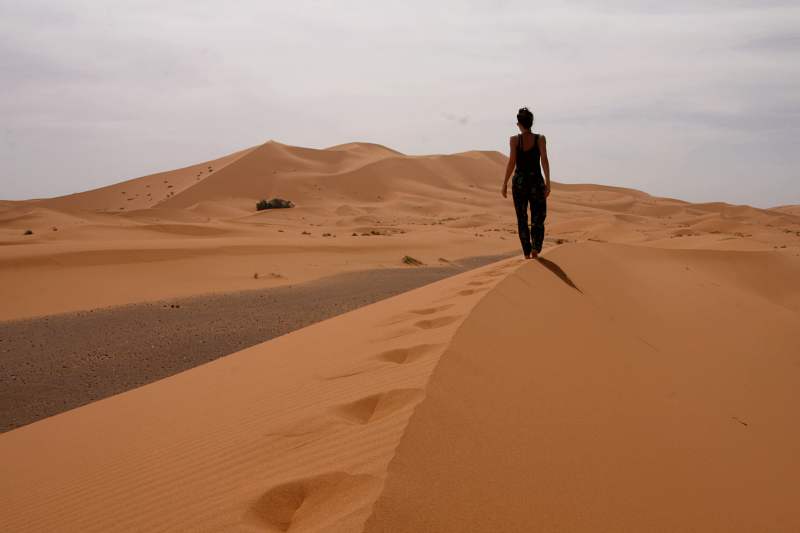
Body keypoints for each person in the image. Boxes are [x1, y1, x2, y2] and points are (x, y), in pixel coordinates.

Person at [501, 107, 551, 259]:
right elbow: (544, 159)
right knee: (538, 216)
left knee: (522, 217)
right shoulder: (540, 138)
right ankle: (535, 247)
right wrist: (548, 182)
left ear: (519, 124)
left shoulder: (514, 140)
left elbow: (511, 162)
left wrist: (504, 183)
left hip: (520, 182)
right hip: (536, 181)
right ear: (531, 123)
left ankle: (527, 253)